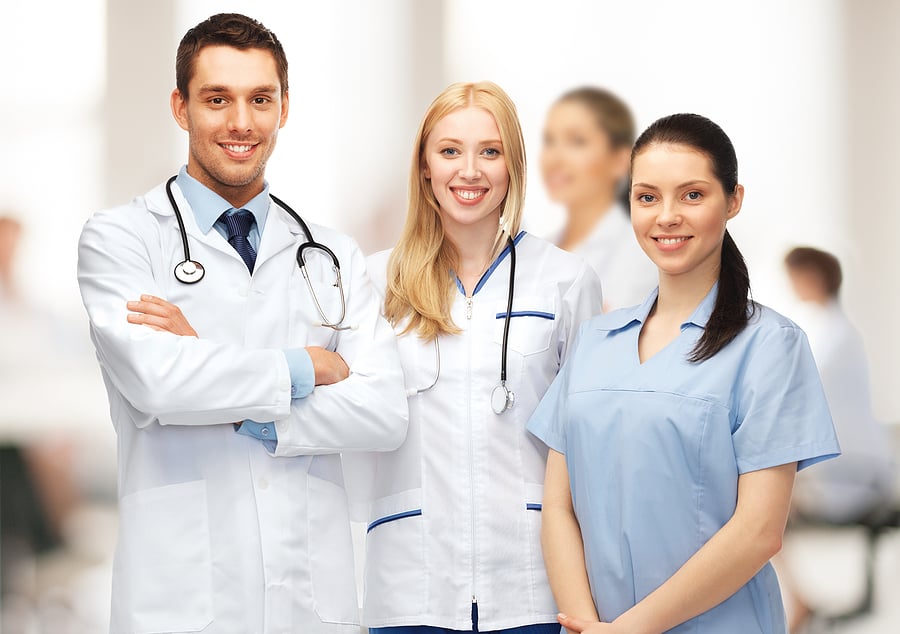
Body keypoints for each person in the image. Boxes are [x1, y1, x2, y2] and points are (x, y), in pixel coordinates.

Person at [77, 13, 408, 633]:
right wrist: (303, 366)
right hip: (181, 597)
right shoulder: (120, 239)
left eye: (261, 99)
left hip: (310, 599)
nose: (241, 122)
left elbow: (383, 413)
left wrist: (210, 372)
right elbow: (156, 383)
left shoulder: (331, 256)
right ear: (180, 108)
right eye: (217, 99)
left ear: (284, 109)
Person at [528, 113, 840, 633]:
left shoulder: (769, 346)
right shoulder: (594, 343)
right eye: (648, 197)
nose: (667, 216)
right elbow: (558, 507)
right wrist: (585, 624)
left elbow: (760, 531)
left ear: (733, 200)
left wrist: (629, 630)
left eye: (692, 195)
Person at [347, 81, 603, 633]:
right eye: (449, 151)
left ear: (513, 166)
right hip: (411, 581)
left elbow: (589, 441)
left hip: (533, 584)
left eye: (490, 151)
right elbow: (331, 399)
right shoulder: (373, 281)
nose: (470, 170)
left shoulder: (564, 281)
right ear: (424, 168)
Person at [780, 246, 895, 632]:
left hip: (848, 473)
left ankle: (797, 602)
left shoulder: (828, 331)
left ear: (812, 278)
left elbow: (796, 392)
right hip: (845, 466)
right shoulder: (834, 328)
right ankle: (797, 600)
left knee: (752, 502)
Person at [540, 87, 656, 311]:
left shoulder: (640, 253)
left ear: (620, 161)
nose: (554, 158)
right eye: (549, 140)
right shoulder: (540, 248)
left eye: (577, 141)